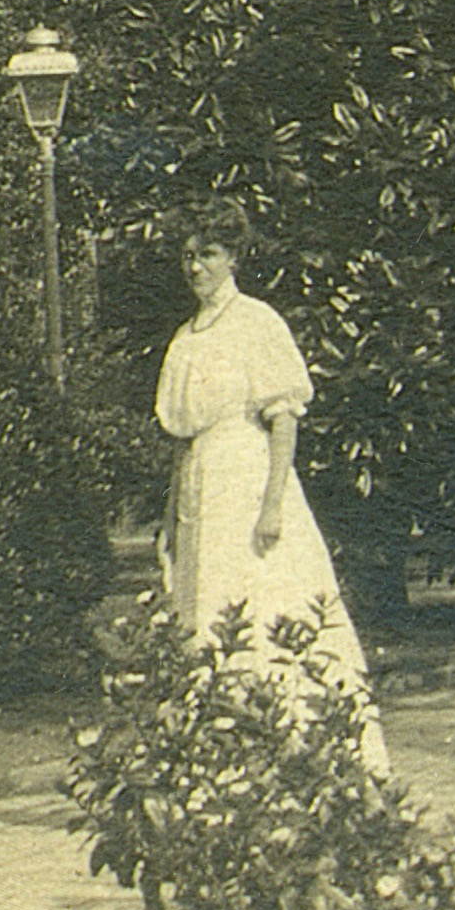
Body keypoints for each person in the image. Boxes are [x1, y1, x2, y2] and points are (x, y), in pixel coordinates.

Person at [154, 196, 387, 773]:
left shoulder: (257, 322)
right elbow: (183, 442)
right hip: (199, 487)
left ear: (233, 257)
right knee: (205, 613)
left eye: (208, 254)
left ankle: (303, 752)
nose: (196, 267)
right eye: (187, 255)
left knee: (263, 608)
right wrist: (167, 522)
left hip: (250, 479)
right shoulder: (184, 337)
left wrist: (272, 505)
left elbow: (283, 420)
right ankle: (223, 764)